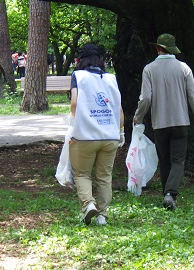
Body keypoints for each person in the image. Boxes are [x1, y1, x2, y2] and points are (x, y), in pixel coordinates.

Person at [133, 33, 194, 211]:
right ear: (172, 49)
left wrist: (138, 117)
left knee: (164, 160)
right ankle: (170, 194)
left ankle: (167, 195)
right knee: (178, 160)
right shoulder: (184, 68)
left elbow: (146, 99)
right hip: (181, 122)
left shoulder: (149, 69)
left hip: (160, 123)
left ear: (158, 48)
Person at [69, 44, 125, 226]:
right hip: (110, 135)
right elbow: (119, 109)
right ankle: (102, 216)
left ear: (81, 60)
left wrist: (73, 123)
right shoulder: (111, 78)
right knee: (104, 176)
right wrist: (121, 131)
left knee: (82, 174)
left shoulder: (78, 76)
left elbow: (75, 103)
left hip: (85, 135)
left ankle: (88, 204)